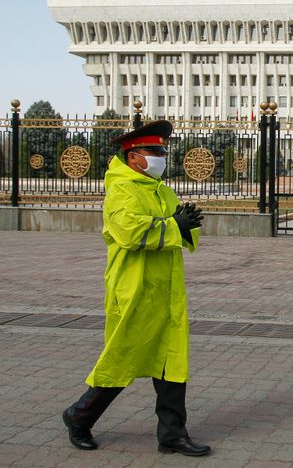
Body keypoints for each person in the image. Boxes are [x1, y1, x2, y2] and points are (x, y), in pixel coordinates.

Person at [62, 120, 211, 456]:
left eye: (162, 150)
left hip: (167, 291)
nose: (161, 156)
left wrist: (186, 225)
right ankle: (79, 415)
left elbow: (176, 228)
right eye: (154, 151)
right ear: (133, 156)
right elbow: (129, 231)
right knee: (122, 358)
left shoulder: (161, 189)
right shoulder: (121, 189)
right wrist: (174, 225)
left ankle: (172, 434)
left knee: (172, 361)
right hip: (134, 290)